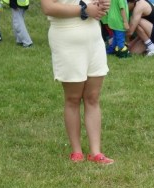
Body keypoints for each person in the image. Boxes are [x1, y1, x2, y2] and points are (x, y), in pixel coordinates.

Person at [40, 0, 115, 164]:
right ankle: (77, 151)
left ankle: (96, 152)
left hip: (93, 38)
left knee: (93, 97)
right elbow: (48, 8)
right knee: (73, 98)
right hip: (65, 38)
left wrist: (101, 5)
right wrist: (84, 10)